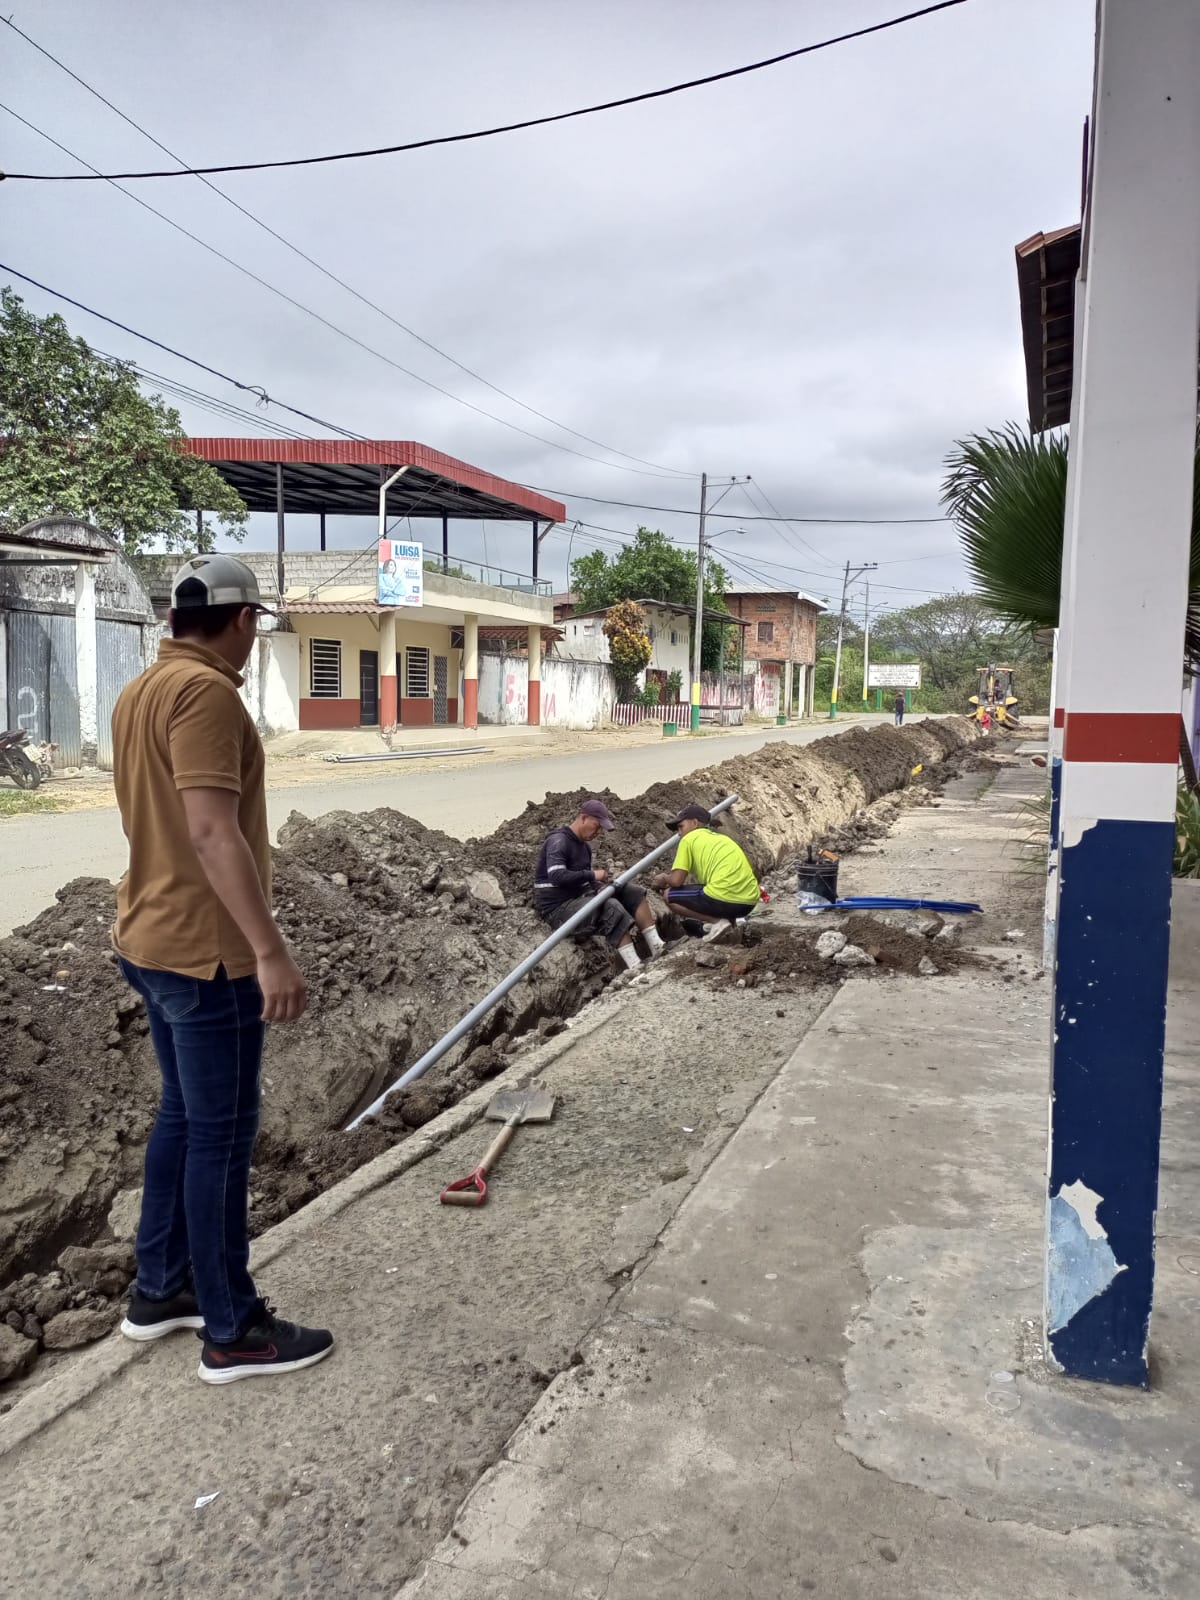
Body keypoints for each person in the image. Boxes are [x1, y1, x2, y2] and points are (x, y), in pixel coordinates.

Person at [111, 554, 334, 1385]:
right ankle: (233, 1330)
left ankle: (161, 1289)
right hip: (208, 955)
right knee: (221, 1136)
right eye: (255, 626)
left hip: (150, 939)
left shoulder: (142, 689)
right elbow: (211, 832)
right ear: (243, 622)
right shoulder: (206, 695)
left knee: (183, 1118)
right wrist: (269, 951)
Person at [534, 798, 666, 970]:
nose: (598, 832)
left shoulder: (585, 848)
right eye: (597, 826)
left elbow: (585, 880)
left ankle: (657, 946)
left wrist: (600, 886)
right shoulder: (558, 841)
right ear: (583, 818)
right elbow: (557, 876)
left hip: (578, 897)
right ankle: (635, 966)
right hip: (557, 908)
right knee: (610, 906)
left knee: (632, 892)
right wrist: (593, 874)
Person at [652, 804, 761, 944]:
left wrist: (664, 878)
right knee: (715, 889)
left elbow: (676, 881)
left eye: (681, 827)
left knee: (669, 895)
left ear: (695, 823)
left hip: (726, 898)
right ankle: (732, 927)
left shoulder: (688, 839)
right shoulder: (723, 839)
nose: (679, 833)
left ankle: (717, 923)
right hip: (749, 902)